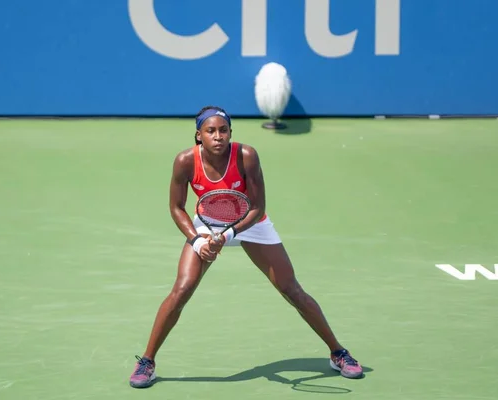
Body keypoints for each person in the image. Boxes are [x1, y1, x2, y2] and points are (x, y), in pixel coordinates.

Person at [129, 106, 363, 388]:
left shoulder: (246, 156)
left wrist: (226, 236)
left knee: (291, 289)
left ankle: (338, 352)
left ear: (230, 133)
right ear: (198, 135)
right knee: (182, 289)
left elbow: (257, 206)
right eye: (211, 131)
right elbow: (176, 208)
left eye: (223, 130)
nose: (218, 137)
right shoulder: (185, 161)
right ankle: (147, 361)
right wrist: (196, 240)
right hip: (207, 223)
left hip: (250, 222)